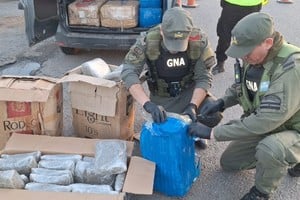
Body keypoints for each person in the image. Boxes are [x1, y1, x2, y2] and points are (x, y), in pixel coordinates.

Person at [189, 12, 300, 199]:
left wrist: (213, 133)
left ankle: (262, 191)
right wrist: (221, 102)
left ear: (268, 43)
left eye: (248, 51)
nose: (244, 57)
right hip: (271, 123)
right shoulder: (255, 57)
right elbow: (242, 85)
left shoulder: (291, 68)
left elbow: (265, 121)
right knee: (229, 162)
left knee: (271, 149)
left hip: (293, 128)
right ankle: (277, 153)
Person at [121, 7, 222, 149]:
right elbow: (128, 73)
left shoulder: (198, 41)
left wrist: (193, 105)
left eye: (180, 44)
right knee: (164, 135)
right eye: (171, 42)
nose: (174, 49)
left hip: (188, 93)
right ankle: (184, 129)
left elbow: (204, 77)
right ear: (162, 31)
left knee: (213, 112)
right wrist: (148, 104)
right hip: (162, 98)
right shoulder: (148, 41)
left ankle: (196, 132)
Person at [211, 0, 262, 75]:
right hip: (250, 4)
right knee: (248, 36)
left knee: (225, 35)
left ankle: (221, 64)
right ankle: (247, 67)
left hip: (235, 4)